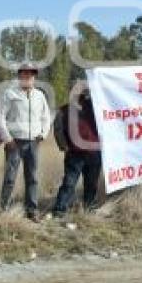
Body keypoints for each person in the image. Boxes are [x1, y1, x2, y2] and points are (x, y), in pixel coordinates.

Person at [0, 63, 52, 222]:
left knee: (32, 177)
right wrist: (7, 138)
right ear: (19, 76)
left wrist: (43, 134)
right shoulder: (10, 94)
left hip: (33, 142)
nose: (28, 77)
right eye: (24, 74)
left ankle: (31, 210)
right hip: (14, 143)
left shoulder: (39, 95)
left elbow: (46, 117)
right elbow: (0, 117)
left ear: (34, 77)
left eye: (31, 74)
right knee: (10, 177)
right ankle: (3, 209)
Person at [52, 88, 102, 216]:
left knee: (92, 183)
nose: (82, 96)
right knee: (69, 182)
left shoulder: (98, 108)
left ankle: (88, 208)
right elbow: (58, 129)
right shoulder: (64, 110)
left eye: (84, 94)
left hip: (94, 152)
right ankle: (60, 208)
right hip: (74, 154)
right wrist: (64, 146)